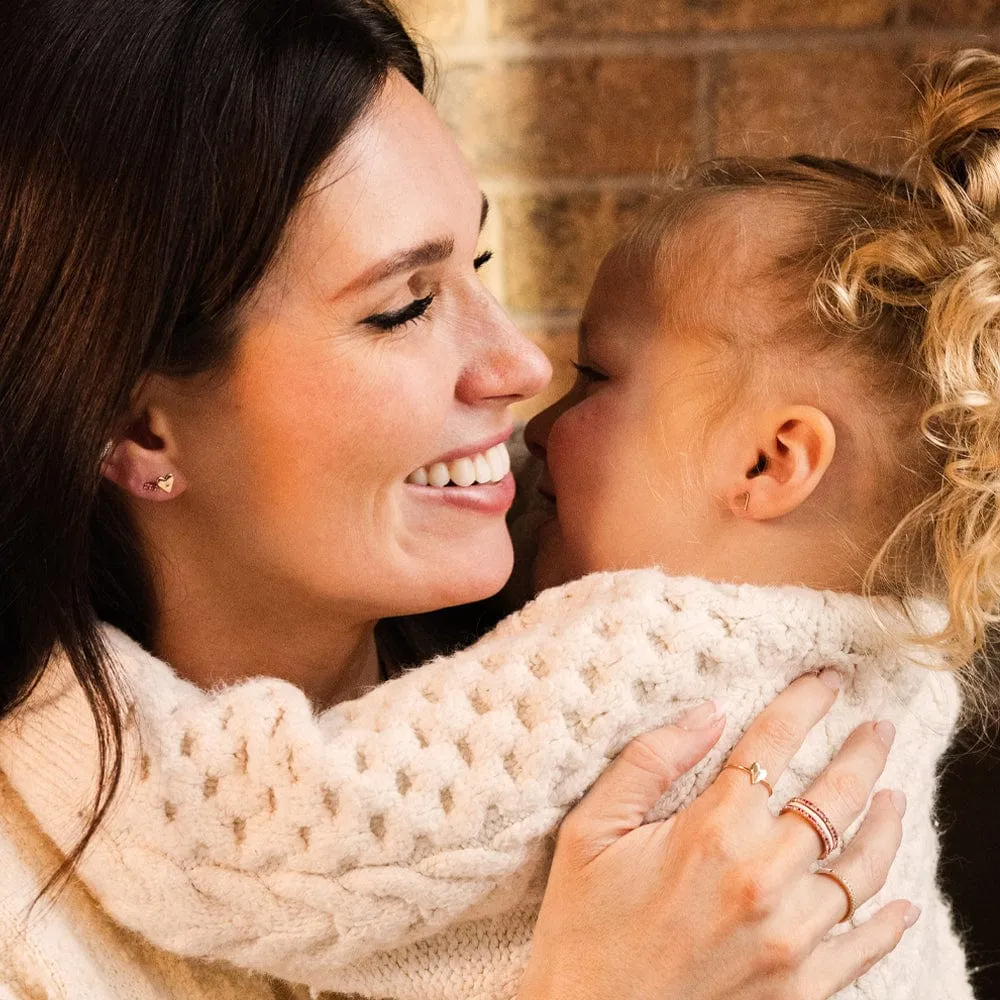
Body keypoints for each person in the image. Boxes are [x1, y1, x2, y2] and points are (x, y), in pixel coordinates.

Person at [0, 2, 914, 998]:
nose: (521, 364)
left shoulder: (705, 696)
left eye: (478, 265)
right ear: (140, 430)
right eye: (404, 307)